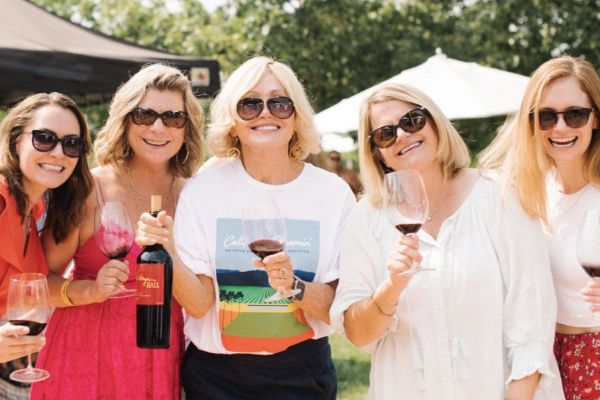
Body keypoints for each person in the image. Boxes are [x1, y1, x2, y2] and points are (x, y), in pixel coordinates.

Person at [138, 56, 355, 399]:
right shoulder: (204, 190)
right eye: (250, 104)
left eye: (280, 103)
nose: (266, 113)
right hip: (217, 379)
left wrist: (293, 285)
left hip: (301, 374)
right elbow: (198, 305)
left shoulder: (332, 194)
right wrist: (167, 252)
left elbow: (338, 304)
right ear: (232, 120)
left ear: (297, 116)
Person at [329, 83, 562, 399]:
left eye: (412, 120)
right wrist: (390, 289)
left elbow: (532, 324)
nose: (401, 135)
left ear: (435, 122)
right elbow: (358, 334)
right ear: (377, 153)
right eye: (385, 134)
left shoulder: (502, 197)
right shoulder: (366, 218)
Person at [30, 64, 205, 399]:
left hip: (158, 352)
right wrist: (89, 290)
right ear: (126, 119)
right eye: (144, 114)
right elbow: (39, 281)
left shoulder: (196, 195)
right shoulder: (87, 188)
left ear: (186, 128)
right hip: (83, 352)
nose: (158, 127)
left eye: (172, 117)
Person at [479, 56, 600, 400]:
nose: (560, 128)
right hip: (537, 355)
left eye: (575, 114)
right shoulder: (523, 191)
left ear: (595, 118)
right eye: (546, 116)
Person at [0, 92, 92, 387]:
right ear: (16, 140)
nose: (58, 153)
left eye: (72, 143)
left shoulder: (36, 210)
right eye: (44, 138)